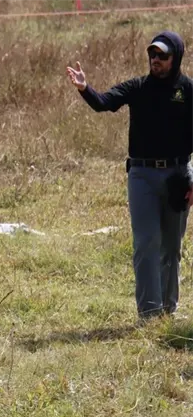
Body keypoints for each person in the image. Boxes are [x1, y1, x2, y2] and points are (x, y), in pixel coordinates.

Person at [67, 31, 193, 320]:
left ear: (176, 58)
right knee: (146, 242)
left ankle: (168, 310)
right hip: (142, 175)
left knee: (171, 247)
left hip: (178, 175)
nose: (155, 59)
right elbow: (104, 102)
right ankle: (149, 313)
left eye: (162, 55)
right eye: (152, 54)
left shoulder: (187, 91)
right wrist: (85, 88)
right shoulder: (138, 87)